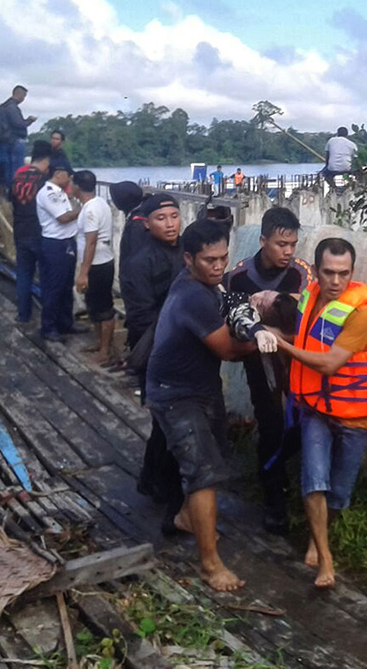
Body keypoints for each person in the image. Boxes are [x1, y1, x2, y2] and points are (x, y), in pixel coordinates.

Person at [146, 219, 276, 592]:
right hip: (174, 393)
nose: (218, 266)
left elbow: (231, 305)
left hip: (200, 386)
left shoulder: (209, 285)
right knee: (203, 472)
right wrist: (272, 338)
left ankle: (188, 517)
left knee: (214, 460)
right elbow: (228, 350)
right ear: (188, 259)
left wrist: (249, 318)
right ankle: (210, 564)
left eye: (222, 258)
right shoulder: (192, 296)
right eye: (208, 260)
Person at [275, 238, 367, 589]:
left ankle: (317, 536)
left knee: (338, 492)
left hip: (353, 415)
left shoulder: (362, 312)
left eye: (344, 273)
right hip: (313, 409)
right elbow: (301, 325)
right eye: (328, 272)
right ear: (317, 269)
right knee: (315, 480)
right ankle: (325, 559)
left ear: (353, 273)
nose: (336, 281)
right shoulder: (309, 296)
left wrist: (279, 342)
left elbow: (328, 363)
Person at [225, 206, 311, 534]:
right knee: (271, 424)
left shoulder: (302, 274)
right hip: (258, 362)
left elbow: (308, 326)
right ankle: (274, 497)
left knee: (302, 426)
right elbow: (233, 326)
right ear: (263, 241)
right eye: (280, 244)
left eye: (292, 244)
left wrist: (274, 332)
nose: (288, 252)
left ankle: (284, 480)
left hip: (297, 360)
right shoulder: (238, 276)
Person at [120, 193, 185, 531]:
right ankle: (171, 497)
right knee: (167, 418)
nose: (170, 224)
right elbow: (140, 317)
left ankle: (151, 477)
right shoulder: (139, 262)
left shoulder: (188, 251)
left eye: (174, 216)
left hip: (188, 345)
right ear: (147, 224)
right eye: (162, 219)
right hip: (157, 348)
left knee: (166, 421)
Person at [35, 166, 82, 341]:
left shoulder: (60, 192)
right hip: (55, 244)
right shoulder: (48, 193)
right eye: (68, 177)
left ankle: (65, 322)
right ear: (58, 174)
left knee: (66, 286)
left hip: (68, 241)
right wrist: (83, 209)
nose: (70, 181)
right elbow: (63, 217)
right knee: (53, 287)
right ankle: (49, 327)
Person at [73, 170, 115, 363]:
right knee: (95, 306)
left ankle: (105, 350)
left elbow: (91, 241)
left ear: (77, 187)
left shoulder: (90, 210)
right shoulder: (100, 203)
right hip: (102, 260)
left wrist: (84, 272)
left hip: (97, 263)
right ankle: (100, 343)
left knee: (104, 307)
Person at [9, 141, 52, 323]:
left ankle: (23, 314)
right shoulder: (44, 182)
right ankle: (48, 317)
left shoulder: (18, 177)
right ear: (47, 161)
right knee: (46, 275)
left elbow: (11, 200)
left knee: (24, 273)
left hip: (20, 230)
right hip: (39, 231)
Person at [0, 85, 37, 190]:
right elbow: (18, 123)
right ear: (19, 95)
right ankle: (16, 189)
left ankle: (8, 189)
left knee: (7, 166)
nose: (23, 99)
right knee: (16, 168)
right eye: (23, 96)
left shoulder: (2, 107)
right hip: (15, 140)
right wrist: (29, 120)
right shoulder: (12, 108)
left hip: (3, 140)